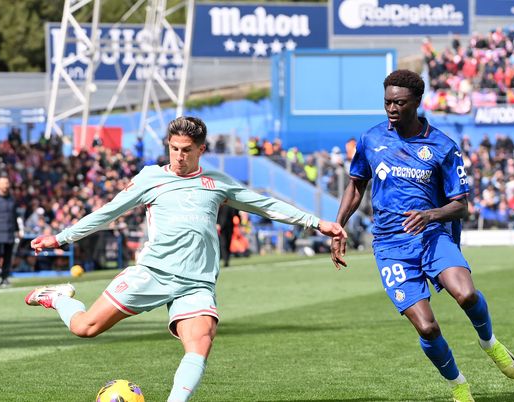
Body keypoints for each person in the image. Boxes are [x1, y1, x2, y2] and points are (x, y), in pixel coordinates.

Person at [25, 116, 347, 402]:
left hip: (196, 283)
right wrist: (61, 237)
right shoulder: (150, 178)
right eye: (174, 148)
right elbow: (108, 212)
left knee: (200, 341)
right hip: (152, 273)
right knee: (85, 327)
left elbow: (264, 204)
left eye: (186, 150)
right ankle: (57, 297)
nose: (179, 156)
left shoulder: (217, 182)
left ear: (201, 150)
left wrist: (317, 223)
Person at [331, 70, 514, 402]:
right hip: (390, 246)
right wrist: (338, 225)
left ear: (417, 103)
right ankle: (458, 383)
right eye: (387, 102)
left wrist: (430, 214)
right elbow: (356, 185)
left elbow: (461, 206)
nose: (391, 108)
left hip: (433, 235)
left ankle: (489, 342)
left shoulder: (443, 146)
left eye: (399, 103)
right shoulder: (371, 139)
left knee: (466, 295)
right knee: (427, 327)